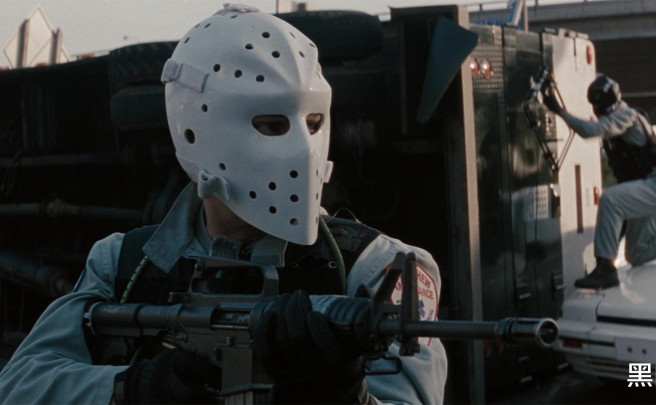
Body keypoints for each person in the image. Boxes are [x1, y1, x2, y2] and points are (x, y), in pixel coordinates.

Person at [0, 5, 447, 404]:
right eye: (271, 124)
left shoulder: (378, 269)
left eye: (313, 122)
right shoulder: (123, 263)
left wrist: (348, 396)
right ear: (196, 131)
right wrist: (132, 387)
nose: (303, 150)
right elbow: (19, 386)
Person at [543, 74, 656, 289]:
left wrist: (559, 110)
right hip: (650, 189)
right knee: (637, 254)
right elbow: (595, 127)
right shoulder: (616, 118)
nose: (595, 110)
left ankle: (605, 268)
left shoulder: (626, 115)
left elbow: (591, 130)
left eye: (598, 105)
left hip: (655, 186)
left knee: (610, 199)